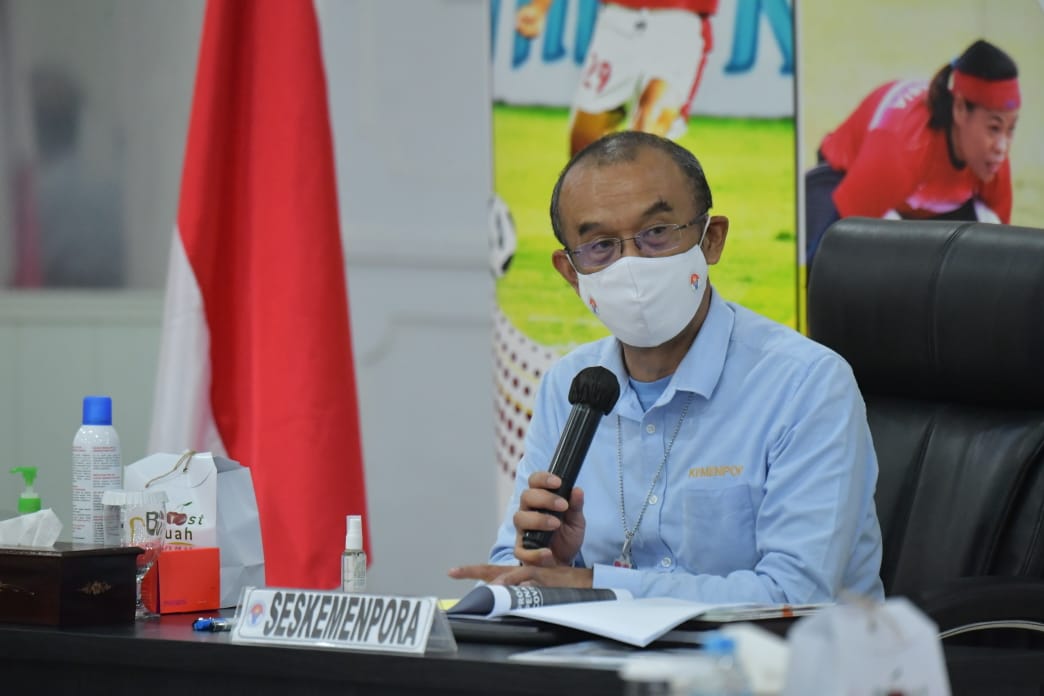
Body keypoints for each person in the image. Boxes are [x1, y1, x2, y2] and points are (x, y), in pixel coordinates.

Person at [450, 131, 884, 604]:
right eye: (600, 245)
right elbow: (516, 570)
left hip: (779, 670)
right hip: (602, 666)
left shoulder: (805, 384)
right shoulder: (569, 387)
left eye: (656, 233)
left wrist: (595, 585)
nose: (632, 265)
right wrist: (549, 568)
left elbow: (796, 594)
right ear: (571, 274)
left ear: (711, 239)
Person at [805, 39, 1020, 268]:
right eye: (994, 128)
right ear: (959, 109)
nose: (1002, 147)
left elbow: (1002, 264)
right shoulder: (900, 148)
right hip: (844, 179)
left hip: (923, 208)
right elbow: (836, 252)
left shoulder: (990, 159)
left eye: (1011, 129)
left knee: (991, 249)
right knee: (828, 262)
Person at [515, 0, 718, 156]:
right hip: (617, 22)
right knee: (583, 152)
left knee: (645, 135)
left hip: (679, 20)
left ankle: (639, 203)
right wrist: (539, 7)